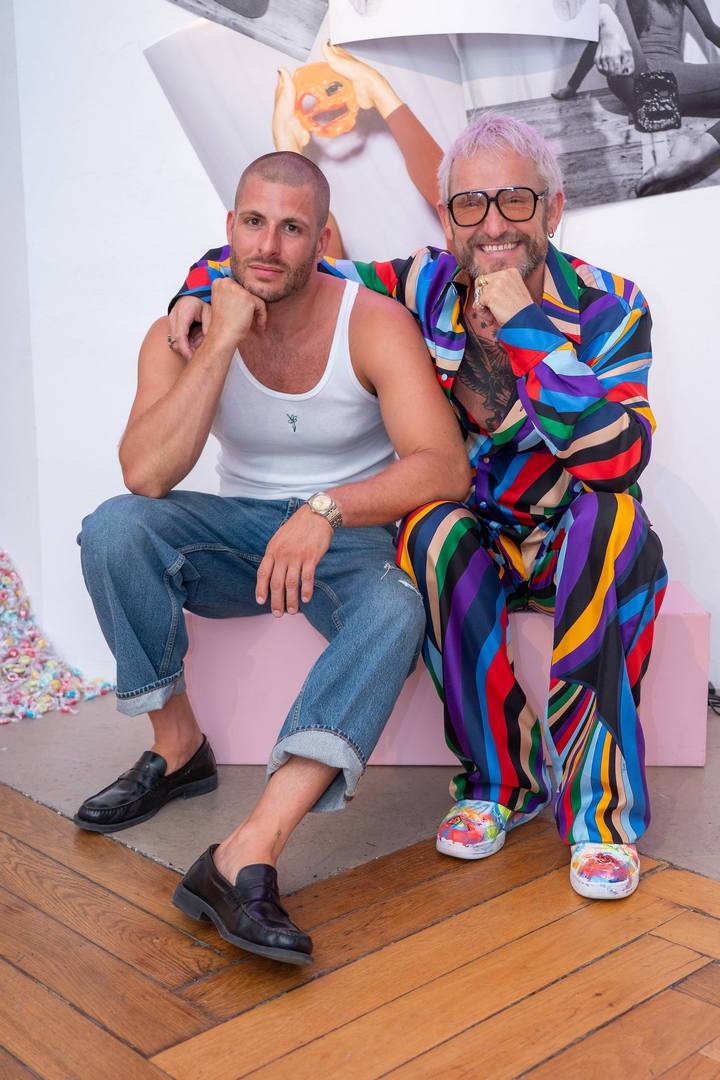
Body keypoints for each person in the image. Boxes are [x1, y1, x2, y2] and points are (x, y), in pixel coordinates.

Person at [170, 115, 668, 902]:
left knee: (613, 519)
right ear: (446, 218)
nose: (494, 224)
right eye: (471, 204)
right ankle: (501, 783)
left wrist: (528, 327)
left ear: (554, 208)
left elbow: (617, 460)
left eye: (516, 200)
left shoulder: (612, 305)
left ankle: (599, 817)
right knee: (429, 530)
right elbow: (291, 264)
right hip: (482, 536)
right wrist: (199, 288)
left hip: (578, 535)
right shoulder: (425, 285)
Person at [76, 151, 470, 965]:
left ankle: (248, 848)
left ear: (322, 239)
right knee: (114, 526)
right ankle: (177, 748)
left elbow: (442, 465)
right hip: (234, 533)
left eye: (292, 228)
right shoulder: (185, 330)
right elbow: (146, 475)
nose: (268, 244)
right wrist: (220, 341)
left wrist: (327, 509)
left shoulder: (371, 321)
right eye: (254, 222)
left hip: (345, 535)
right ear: (229, 227)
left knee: (397, 606)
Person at [553, 0, 720, 195]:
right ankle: (695, 148)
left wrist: (572, 85)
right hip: (632, 72)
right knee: (609, 11)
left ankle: (699, 148)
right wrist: (572, 85)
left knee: (608, 11)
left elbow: (711, 31)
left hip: (661, 85)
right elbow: (602, 39)